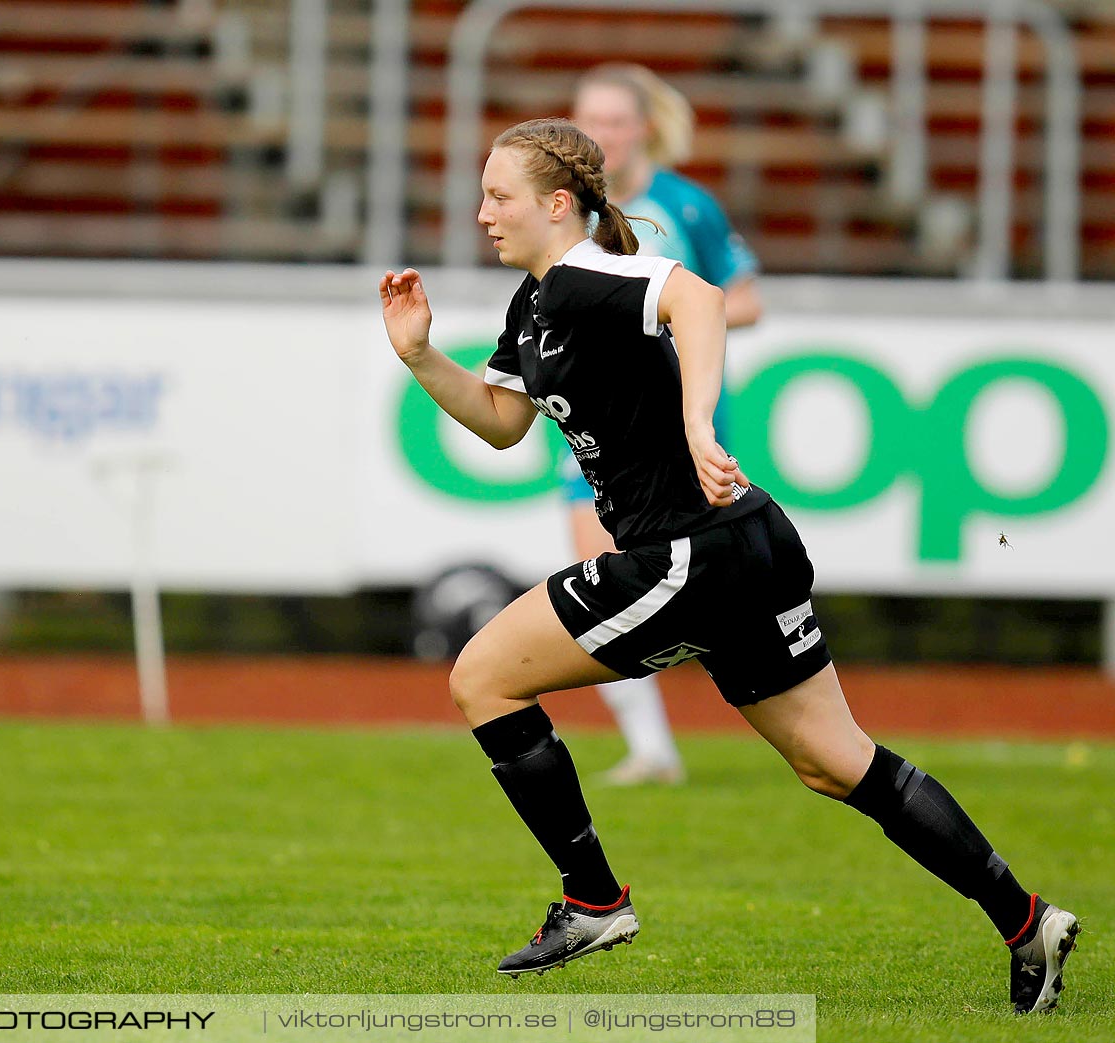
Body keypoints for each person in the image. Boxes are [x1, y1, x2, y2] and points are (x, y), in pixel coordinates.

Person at [378, 117, 1077, 1014]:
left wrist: (701, 423)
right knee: (836, 762)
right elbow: (505, 423)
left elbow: (698, 296)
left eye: (498, 195)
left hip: (687, 555)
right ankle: (1027, 921)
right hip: (747, 544)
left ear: (557, 204)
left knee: (481, 677)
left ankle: (593, 899)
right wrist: (420, 354)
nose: (482, 213)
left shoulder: (589, 272)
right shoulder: (536, 302)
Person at [564, 63, 766, 786]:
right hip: (595, 425)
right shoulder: (567, 210)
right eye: (590, 121)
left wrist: (664, 316)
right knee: (595, 577)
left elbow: (740, 300)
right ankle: (653, 747)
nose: (603, 136)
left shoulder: (686, 206)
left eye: (615, 121)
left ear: (643, 127)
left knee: (714, 587)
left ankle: (793, 712)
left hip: (681, 422)